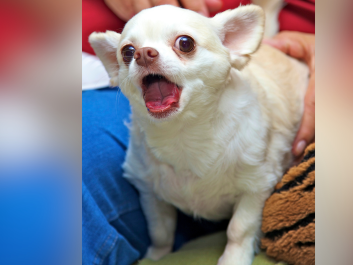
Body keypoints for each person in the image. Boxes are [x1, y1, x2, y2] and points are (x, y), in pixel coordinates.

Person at [82, 1, 314, 264]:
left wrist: (239, 242)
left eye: (184, 44)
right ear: (116, 65)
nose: (144, 54)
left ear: (232, 45)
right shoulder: (141, 152)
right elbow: (149, 188)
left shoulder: (250, 144)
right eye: (128, 53)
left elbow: (257, 184)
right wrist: (161, 245)